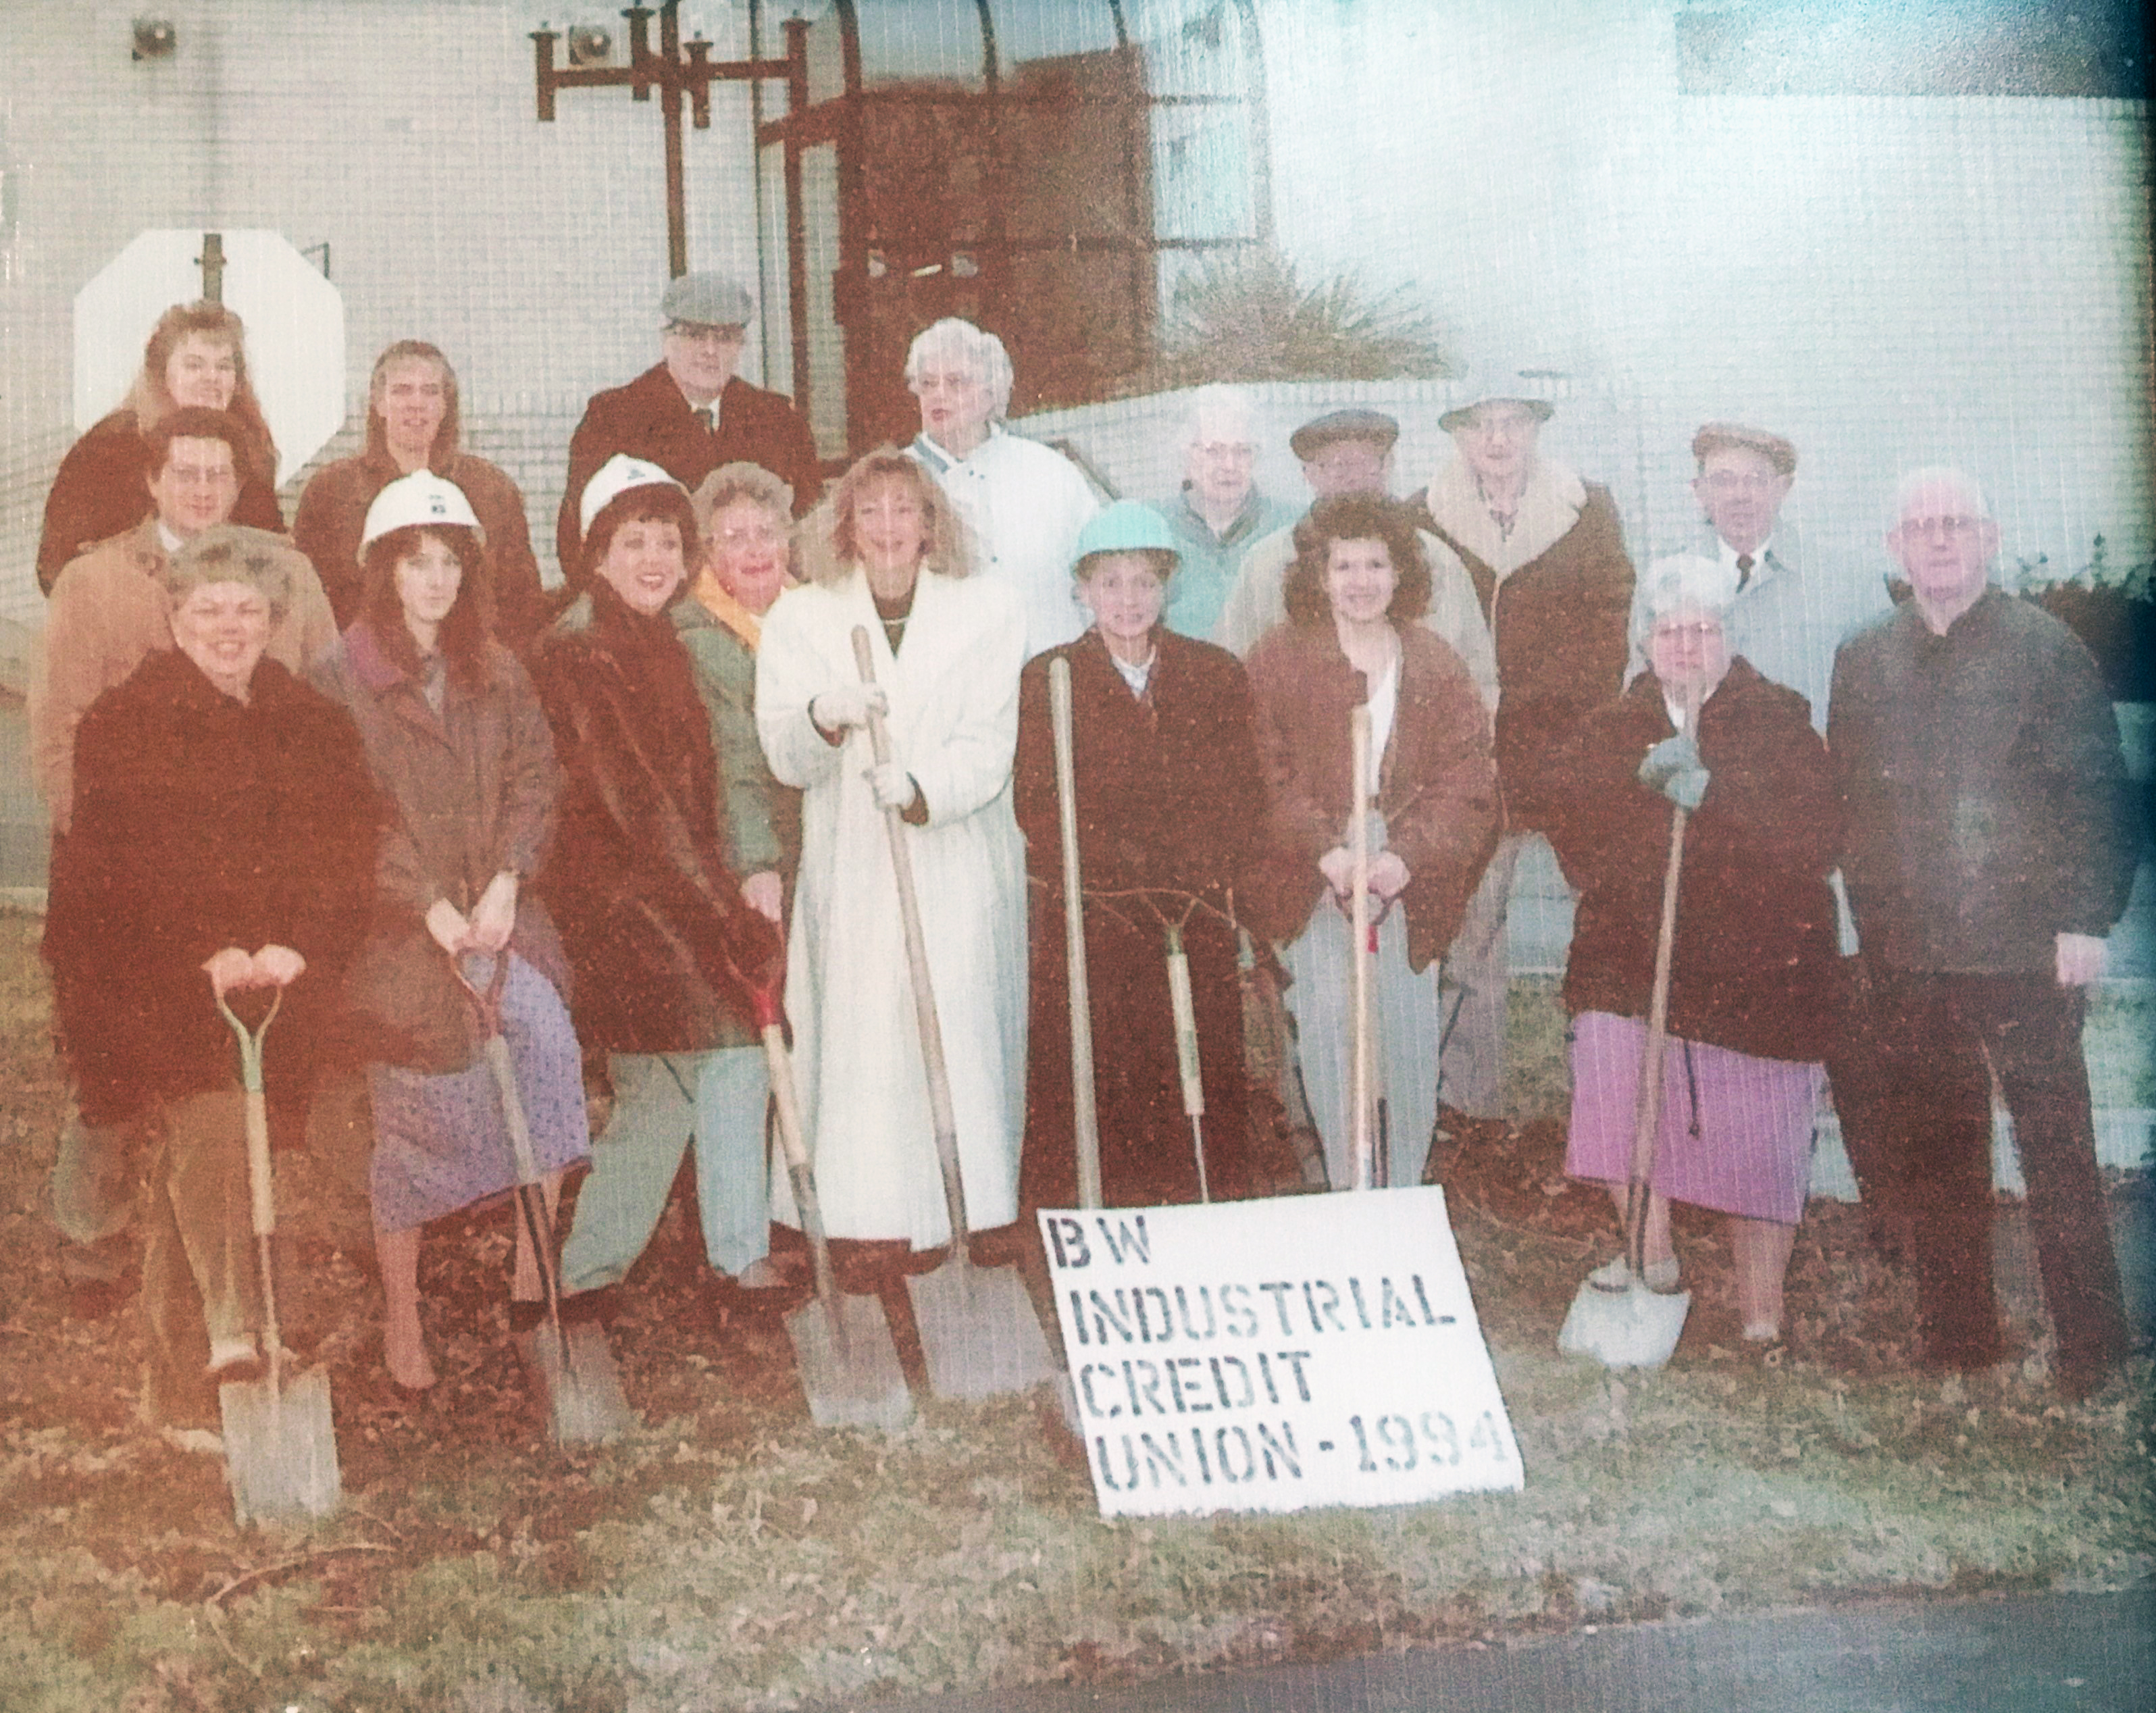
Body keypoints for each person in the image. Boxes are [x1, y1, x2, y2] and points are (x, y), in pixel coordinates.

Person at [41, 527, 380, 1447]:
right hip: (149, 978)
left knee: (216, 1155)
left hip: (278, 982)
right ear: (174, 619)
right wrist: (207, 952)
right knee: (220, 1128)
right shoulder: (126, 721)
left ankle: (177, 1390)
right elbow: (117, 874)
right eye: (207, 611)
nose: (229, 629)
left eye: (247, 612)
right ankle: (240, 1338)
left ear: (273, 621)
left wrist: (297, 946)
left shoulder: (310, 720)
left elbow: (349, 849)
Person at [1830, 467, 2138, 1399]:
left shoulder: (2049, 651)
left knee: (2057, 1150)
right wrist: (1873, 925)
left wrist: (2086, 919)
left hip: (2025, 951)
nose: (1937, 541)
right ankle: (1961, 1341)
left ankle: (2093, 1349)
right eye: (1919, 528)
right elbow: (1853, 805)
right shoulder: (1865, 657)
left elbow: (2096, 795)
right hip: (1913, 957)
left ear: (1990, 536)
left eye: (1955, 524)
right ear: (1895, 548)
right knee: (1938, 1151)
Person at [31, 418, 336, 1319]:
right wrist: (109, 863)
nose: (203, 489)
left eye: (220, 474)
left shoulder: (283, 571)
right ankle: (90, 1233)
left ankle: (212, 1264)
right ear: (153, 483)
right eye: (185, 473)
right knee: (117, 1074)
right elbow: (56, 735)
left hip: (251, 876)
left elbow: (316, 694)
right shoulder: (94, 580)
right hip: (125, 873)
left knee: (222, 1083)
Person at [311, 473, 590, 1391]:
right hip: (401, 935)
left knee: (549, 1064)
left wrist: (510, 878)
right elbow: (348, 817)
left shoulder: (497, 666)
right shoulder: (341, 676)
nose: (434, 583)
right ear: (384, 572)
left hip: (500, 917)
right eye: (415, 564)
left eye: (450, 566)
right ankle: (402, 1309)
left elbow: (536, 779)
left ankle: (530, 1276)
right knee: (417, 1119)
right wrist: (425, 904)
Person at [1550, 557, 1841, 1343]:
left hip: (1760, 963)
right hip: (1636, 957)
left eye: (1703, 630)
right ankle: (1652, 1259)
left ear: (1729, 639)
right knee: (1612, 1068)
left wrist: (1718, 795)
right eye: (1669, 630)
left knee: (1759, 1122)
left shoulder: (1777, 719)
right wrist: (1632, 789)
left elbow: (1812, 837)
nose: (1685, 645)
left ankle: (1760, 1313)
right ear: (1644, 641)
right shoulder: (1615, 724)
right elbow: (1575, 828)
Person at [528, 456, 784, 1319]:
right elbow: (636, 804)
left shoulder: (665, 638)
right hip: (625, 909)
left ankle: (588, 1273)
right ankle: (738, 1263)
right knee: (733, 1057)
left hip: (663, 898)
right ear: (596, 555)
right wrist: (724, 913)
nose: (652, 558)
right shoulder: (579, 653)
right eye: (631, 542)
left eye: (667, 542)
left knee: (658, 1092)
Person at [755, 449, 1029, 1249]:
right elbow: (783, 749)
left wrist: (920, 787)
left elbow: (990, 739)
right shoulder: (801, 616)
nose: (886, 527)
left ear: (930, 522)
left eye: (903, 509)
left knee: (954, 1019)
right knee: (861, 1028)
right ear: (844, 524)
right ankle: (860, 1218)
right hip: (852, 859)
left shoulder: (986, 609)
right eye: (868, 511)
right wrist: (824, 714)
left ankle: (963, 1209)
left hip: (949, 853)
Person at [1014, 501, 1266, 1208]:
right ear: (1083, 591)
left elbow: (1240, 791)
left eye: (1144, 582)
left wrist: (1192, 870)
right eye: (1111, 583)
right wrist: (1119, 874)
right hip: (1102, 915)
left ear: (1168, 587)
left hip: (1192, 909)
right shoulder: (1050, 677)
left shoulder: (1213, 673)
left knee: (1197, 1064)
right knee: (1109, 1067)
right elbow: (1037, 804)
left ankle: (1205, 1209)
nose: (1128, 600)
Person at [1412, 365, 1636, 1150]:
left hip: (1571, 750)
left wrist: (1560, 718)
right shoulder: (1422, 517)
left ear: (1537, 428)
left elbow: (1610, 622)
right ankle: (1466, 1109)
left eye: (1513, 421)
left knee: (1606, 923)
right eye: (1480, 423)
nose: (1498, 439)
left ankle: (1603, 1111)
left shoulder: (1589, 509)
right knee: (1468, 932)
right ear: (1456, 434)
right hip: (1472, 757)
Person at [1245, 496, 1498, 1191]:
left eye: (1376, 564)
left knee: (1407, 1037)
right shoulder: (1279, 657)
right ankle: (1349, 1187)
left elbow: (1469, 776)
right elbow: (1262, 770)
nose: (1361, 580)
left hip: (1403, 870)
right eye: (1344, 565)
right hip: (1319, 865)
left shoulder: (1433, 660)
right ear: (1319, 575)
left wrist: (1403, 859)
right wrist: (1326, 852)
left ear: (1401, 572)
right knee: (1330, 1025)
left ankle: (1400, 1191)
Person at [673, 461, 805, 1288]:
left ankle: (804, 1214)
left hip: (824, 855)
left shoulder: (818, 614)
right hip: (740, 865)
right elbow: (731, 762)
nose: (752, 550)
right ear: (707, 553)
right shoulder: (698, 638)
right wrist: (755, 864)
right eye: (732, 538)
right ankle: (733, 1247)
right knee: (742, 1045)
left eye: (766, 532)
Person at [1212, 407, 1495, 704]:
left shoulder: (1436, 561)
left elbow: (1478, 677)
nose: (1352, 478)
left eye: (1365, 463)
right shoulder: (1267, 563)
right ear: (1307, 474)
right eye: (1335, 466)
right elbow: (1228, 670)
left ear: (1388, 466)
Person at [557, 273, 821, 590]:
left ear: (741, 346)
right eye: (695, 336)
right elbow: (576, 541)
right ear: (667, 340)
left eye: (724, 338)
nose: (710, 351)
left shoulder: (777, 419)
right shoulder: (614, 418)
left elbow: (810, 524)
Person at [294, 341, 548, 646]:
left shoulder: (491, 491)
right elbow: (312, 608)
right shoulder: (332, 492)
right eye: (402, 390)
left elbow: (522, 605)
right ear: (378, 404)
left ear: (445, 405)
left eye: (430, 391)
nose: (416, 404)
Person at [36, 300, 283, 594]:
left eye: (224, 366)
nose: (211, 378)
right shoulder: (115, 442)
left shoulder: (249, 450)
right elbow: (59, 564)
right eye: (194, 365)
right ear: (161, 371)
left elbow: (272, 555)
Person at [903, 317, 1101, 657]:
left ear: (991, 393)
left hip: (1052, 676)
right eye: (927, 383)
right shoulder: (895, 481)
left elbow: (1098, 575)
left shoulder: (1050, 471)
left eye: (956, 382)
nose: (939, 395)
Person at [1154, 386, 1295, 643]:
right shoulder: (1154, 529)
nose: (1229, 465)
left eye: (1242, 451)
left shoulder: (1292, 527)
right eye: (1213, 451)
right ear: (1185, 456)